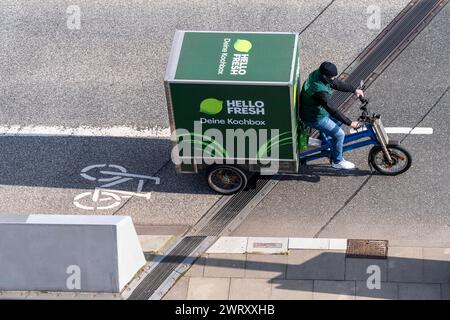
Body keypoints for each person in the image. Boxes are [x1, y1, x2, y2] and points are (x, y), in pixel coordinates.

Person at [299, 61, 364, 169]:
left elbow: (336, 83)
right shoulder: (319, 90)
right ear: (325, 76)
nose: (334, 79)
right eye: (332, 77)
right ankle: (337, 161)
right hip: (313, 117)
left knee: (338, 121)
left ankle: (324, 143)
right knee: (339, 134)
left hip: (314, 110)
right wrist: (350, 123)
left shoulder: (319, 74)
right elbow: (331, 109)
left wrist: (354, 90)